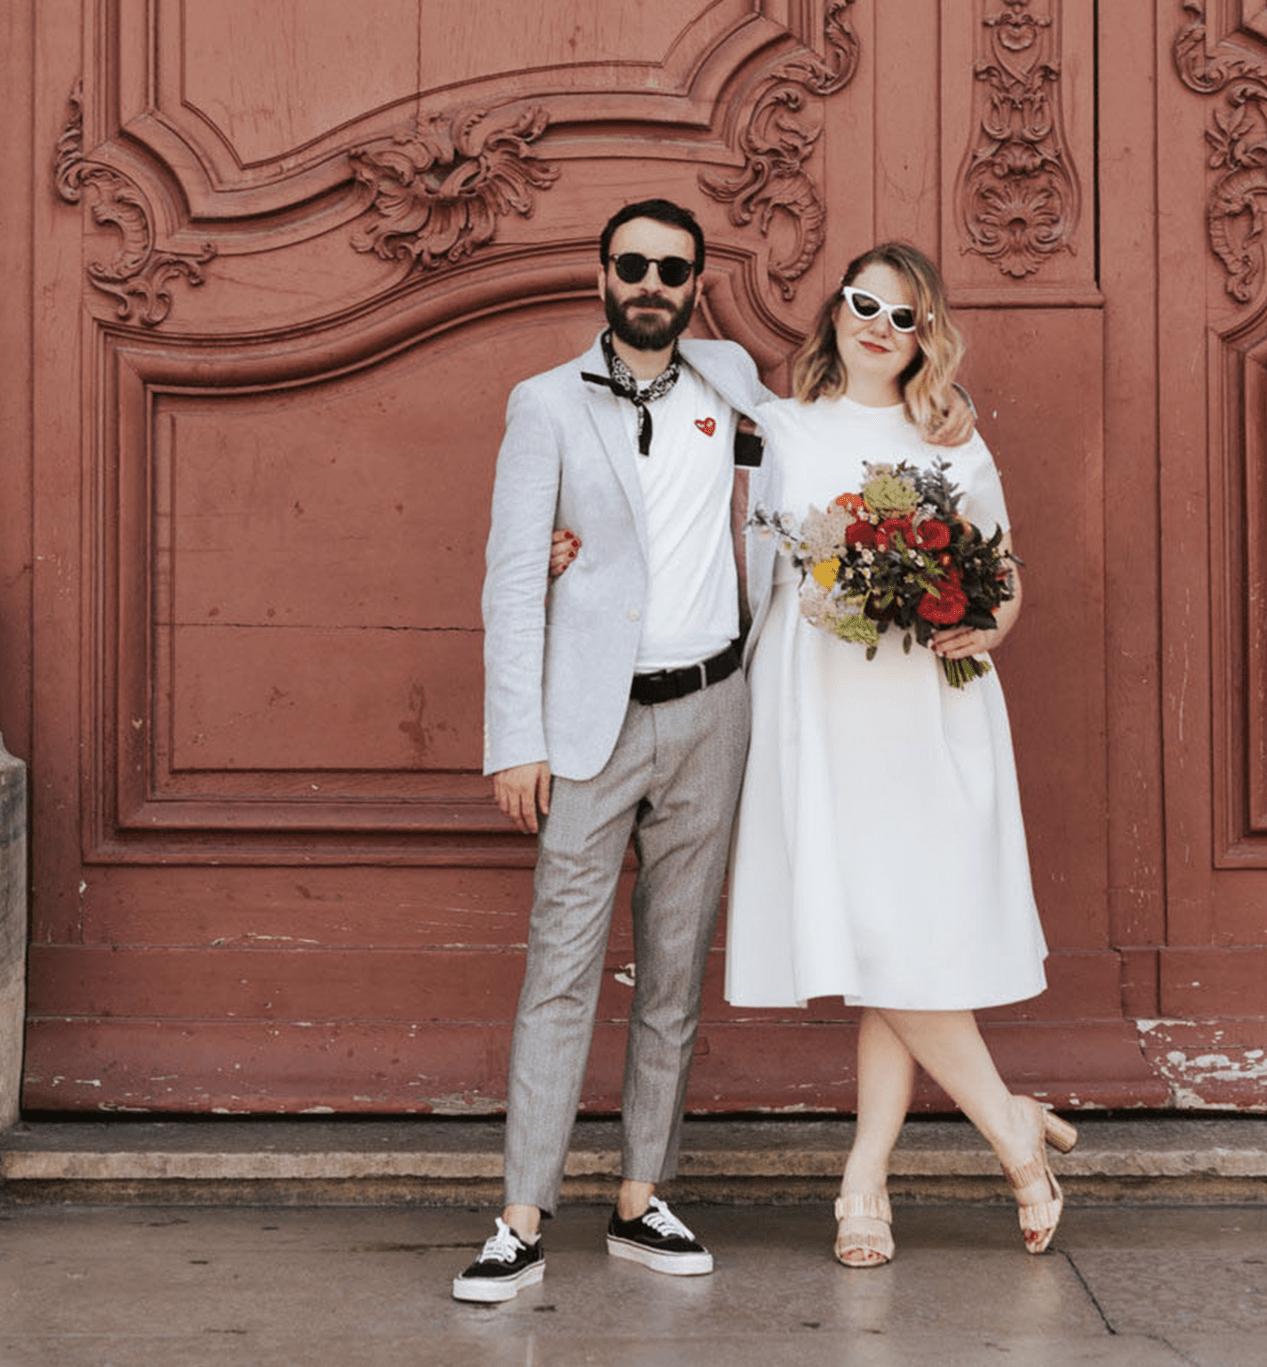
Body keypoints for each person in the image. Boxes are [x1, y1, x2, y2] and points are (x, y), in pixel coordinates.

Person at [722, 242, 1077, 1267]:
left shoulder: (949, 439)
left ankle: (868, 1177)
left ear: (927, 335)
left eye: (904, 314)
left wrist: (992, 625)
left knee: (897, 937)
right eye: (863, 302)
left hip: (923, 707)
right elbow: (715, 534)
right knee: (882, 936)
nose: (878, 324)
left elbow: (1001, 572)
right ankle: (1005, 1126)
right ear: (833, 309)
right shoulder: (777, 426)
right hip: (817, 705)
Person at [455, 199, 776, 1303]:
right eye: (631, 264)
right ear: (600, 274)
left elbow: (808, 469)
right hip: (590, 725)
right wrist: (516, 738)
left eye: (671, 268)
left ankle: (643, 1195)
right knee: (561, 966)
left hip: (712, 712)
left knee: (675, 969)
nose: (650, 282)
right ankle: (519, 1215)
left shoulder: (732, 386)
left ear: (696, 283)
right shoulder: (541, 404)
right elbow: (508, 575)